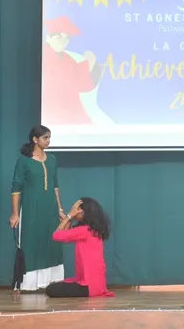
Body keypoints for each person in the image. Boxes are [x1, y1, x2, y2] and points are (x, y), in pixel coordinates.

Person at [9, 125, 66, 292]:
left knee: (52, 241)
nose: (48, 141)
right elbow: (16, 188)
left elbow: (55, 186)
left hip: (50, 209)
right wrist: (15, 213)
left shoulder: (52, 160)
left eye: (49, 138)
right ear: (35, 139)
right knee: (31, 242)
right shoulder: (24, 161)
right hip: (31, 208)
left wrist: (60, 209)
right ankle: (29, 283)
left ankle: (51, 281)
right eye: (45, 138)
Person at [45, 198, 115, 298]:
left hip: (89, 287)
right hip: (98, 285)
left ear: (84, 212)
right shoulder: (92, 230)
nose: (74, 210)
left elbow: (56, 235)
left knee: (50, 289)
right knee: (63, 283)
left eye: (77, 209)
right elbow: (66, 235)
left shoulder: (84, 230)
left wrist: (69, 215)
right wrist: (69, 218)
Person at [42, 15, 104, 125]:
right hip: (52, 111)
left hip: (72, 112)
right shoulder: (42, 57)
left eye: (66, 38)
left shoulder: (69, 59)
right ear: (48, 38)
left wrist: (91, 64)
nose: (63, 41)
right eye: (58, 37)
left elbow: (83, 85)